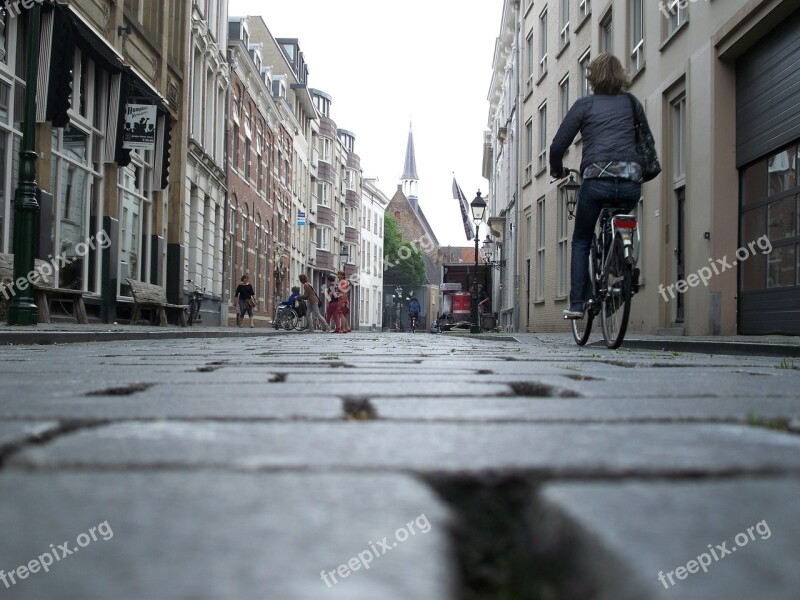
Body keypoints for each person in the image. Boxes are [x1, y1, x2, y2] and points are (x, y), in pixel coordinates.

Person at [549, 52, 650, 319]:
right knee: (619, 219)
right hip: (630, 182)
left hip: (596, 183)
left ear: (592, 79)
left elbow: (559, 144)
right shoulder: (632, 103)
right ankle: (622, 269)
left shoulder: (585, 105)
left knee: (582, 239)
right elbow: (645, 140)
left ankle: (578, 303)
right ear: (621, 76)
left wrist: (557, 170)